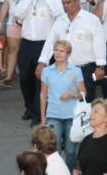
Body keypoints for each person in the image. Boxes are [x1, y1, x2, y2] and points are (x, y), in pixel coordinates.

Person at [37, 0, 105, 103]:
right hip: (64, 69)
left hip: (85, 69)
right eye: (63, 3)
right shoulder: (60, 20)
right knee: (64, 100)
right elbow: (50, 41)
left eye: (68, 2)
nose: (65, 6)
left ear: (77, 1)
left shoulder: (92, 20)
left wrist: (100, 66)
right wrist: (42, 62)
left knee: (85, 102)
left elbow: (99, 43)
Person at [39, 40, 84, 170]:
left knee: (71, 152)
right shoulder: (46, 71)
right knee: (54, 152)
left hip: (72, 116)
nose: (57, 53)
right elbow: (43, 95)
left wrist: (72, 94)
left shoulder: (76, 71)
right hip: (53, 115)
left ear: (68, 54)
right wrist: (43, 119)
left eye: (61, 51)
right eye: (56, 50)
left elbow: (83, 93)